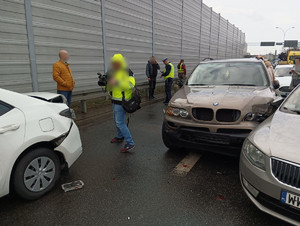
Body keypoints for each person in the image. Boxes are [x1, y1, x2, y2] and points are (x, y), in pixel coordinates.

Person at [106, 54, 135, 153]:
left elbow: (131, 85)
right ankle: (119, 137)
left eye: (116, 63)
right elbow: (111, 85)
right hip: (115, 100)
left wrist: (117, 83)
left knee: (120, 122)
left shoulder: (127, 71)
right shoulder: (114, 72)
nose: (114, 64)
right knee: (116, 120)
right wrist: (108, 86)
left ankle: (130, 143)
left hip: (122, 101)